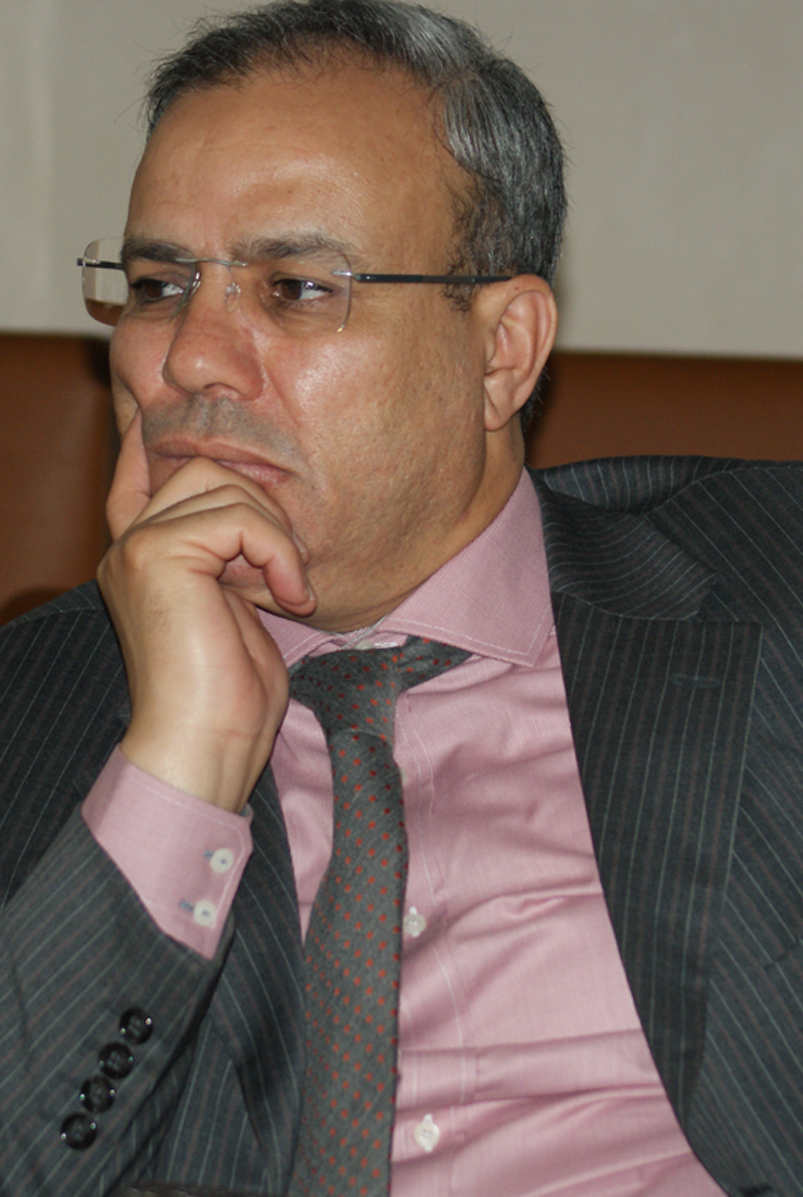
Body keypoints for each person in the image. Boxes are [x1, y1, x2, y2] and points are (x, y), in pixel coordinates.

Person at [0, 1, 802, 1194]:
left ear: (500, 350)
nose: (188, 358)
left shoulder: (770, 576)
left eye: (293, 288)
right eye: (160, 284)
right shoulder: (26, 710)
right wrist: (184, 758)